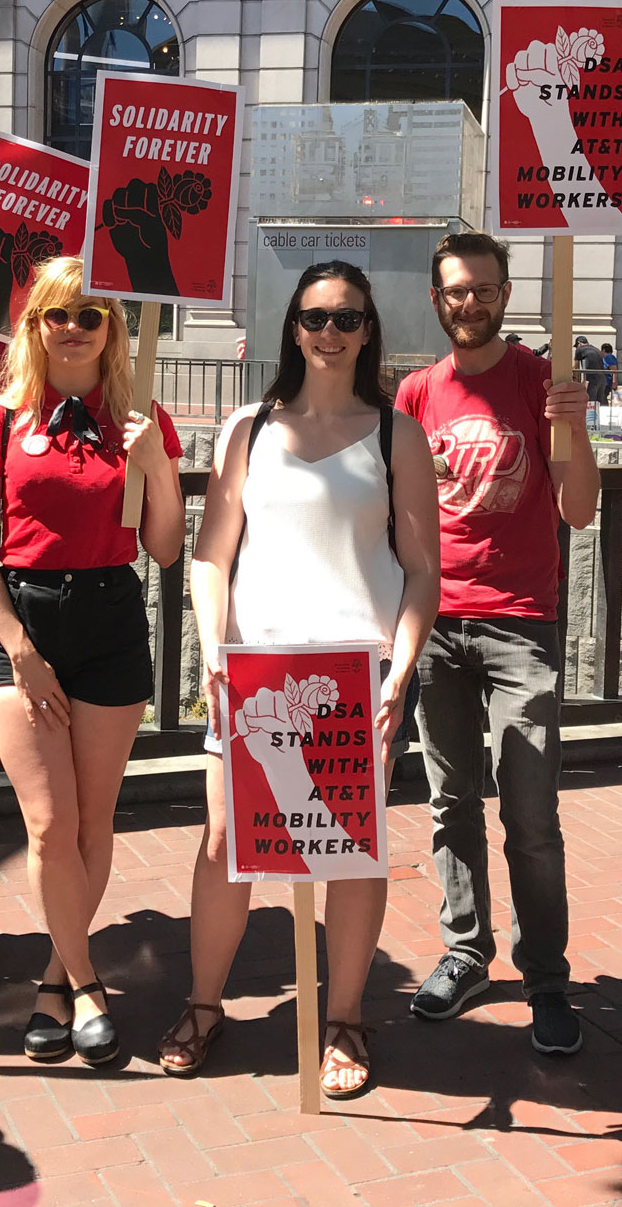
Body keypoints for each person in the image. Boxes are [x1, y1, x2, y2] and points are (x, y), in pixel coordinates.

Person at [161, 261, 440, 1098]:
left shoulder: (399, 433)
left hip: (359, 674)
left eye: (348, 318)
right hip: (253, 672)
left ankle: (345, 1015)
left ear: (368, 331)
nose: (330, 331)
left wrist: (402, 664)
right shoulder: (247, 427)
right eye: (315, 316)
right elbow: (212, 554)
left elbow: (422, 571)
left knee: (348, 852)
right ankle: (204, 1004)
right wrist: (213, 647)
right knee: (225, 847)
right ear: (292, 326)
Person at [0, 257, 184, 1067]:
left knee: (93, 819)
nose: (78, 328)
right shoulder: (0, 417)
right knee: (48, 825)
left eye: (94, 315)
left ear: (114, 327)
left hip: (111, 619)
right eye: (61, 314)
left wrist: (155, 462)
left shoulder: (141, 416)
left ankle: (56, 976)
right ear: (36, 324)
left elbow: (162, 548)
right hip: (23, 620)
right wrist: (20, 649)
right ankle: (90, 987)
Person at [395, 233, 598, 1055]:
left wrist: (574, 428)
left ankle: (547, 976)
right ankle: (466, 951)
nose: (468, 303)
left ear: (507, 292)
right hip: (437, 624)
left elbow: (579, 508)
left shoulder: (542, 382)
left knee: (531, 814)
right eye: (454, 292)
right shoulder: (415, 393)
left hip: (521, 624)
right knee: (450, 803)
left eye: (482, 289)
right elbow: (394, 512)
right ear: (436, 302)